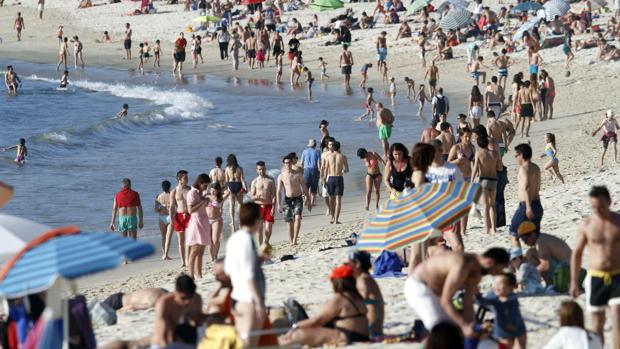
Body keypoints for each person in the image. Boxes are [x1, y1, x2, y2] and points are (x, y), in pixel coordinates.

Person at [404, 248, 510, 336]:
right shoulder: (463, 264)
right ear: (489, 262)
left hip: (434, 293)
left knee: (454, 329)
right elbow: (446, 300)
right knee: (439, 328)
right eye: (498, 270)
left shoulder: (476, 273)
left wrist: (470, 325)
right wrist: (464, 325)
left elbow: (467, 302)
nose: (497, 274)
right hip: (418, 286)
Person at [571, 186, 620, 346]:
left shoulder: (618, 222)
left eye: (601, 206)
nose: (597, 210)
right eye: (593, 207)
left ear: (609, 202)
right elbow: (577, 253)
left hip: (617, 276)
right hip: (595, 277)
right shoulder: (587, 225)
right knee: (597, 321)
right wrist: (573, 281)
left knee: (617, 316)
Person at [279, 264, 369, 346]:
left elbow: (317, 321)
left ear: (336, 282)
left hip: (347, 336)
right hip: (363, 335)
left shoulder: (339, 298)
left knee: (297, 335)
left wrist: (295, 327)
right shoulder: (357, 296)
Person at [224, 203, 267, 348]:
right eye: (260, 218)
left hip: (236, 296)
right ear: (255, 220)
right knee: (249, 342)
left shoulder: (234, 238)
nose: (261, 221)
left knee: (243, 341)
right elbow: (249, 275)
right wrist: (258, 301)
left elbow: (230, 269)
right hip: (248, 298)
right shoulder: (247, 240)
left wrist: (258, 260)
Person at [426, 140, 465, 251]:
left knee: (458, 246)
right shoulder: (425, 171)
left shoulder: (452, 169)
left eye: (434, 152)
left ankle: (459, 267)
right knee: (432, 249)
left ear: (441, 151)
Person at [518, 221, 576, 293]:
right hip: (572, 272)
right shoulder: (544, 238)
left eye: (525, 239)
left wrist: (530, 272)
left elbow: (546, 265)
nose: (525, 243)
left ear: (533, 234)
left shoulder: (541, 242)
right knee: (530, 253)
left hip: (566, 274)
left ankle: (550, 284)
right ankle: (549, 284)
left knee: (531, 254)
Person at [151, 274, 203, 347]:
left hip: (186, 340)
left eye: (190, 297)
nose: (187, 301)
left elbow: (199, 324)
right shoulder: (165, 303)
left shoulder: (196, 299)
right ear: (176, 292)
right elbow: (161, 334)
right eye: (183, 298)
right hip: (164, 342)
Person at [477, 273, 527, 348]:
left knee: (521, 345)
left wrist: (514, 324)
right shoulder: (495, 299)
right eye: (495, 283)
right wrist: (477, 294)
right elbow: (483, 302)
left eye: (500, 284)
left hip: (518, 326)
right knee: (506, 346)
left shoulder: (512, 298)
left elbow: (514, 313)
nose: (496, 286)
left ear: (511, 287)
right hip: (503, 328)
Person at [510, 143, 542, 248]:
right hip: (537, 204)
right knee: (534, 237)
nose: (516, 158)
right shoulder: (536, 167)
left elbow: (527, 188)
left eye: (516, 155)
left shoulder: (524, 169)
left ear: (521, 155)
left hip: (526, 206)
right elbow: (537, 187)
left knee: (513, 233)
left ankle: (517, 260)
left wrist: (528, 207)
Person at [348, 251, 384, 337]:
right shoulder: (368, 278)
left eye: (349, 263)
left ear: (357, 264)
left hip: (370, 328)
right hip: (377, 326)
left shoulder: (362, 279)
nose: (348, 267)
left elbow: (361, 301)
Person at [473, 131, 502, 235]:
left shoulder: (479, 153)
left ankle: (486, 229)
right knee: (492, 205)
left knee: (485, 206)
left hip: (484, 180)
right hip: (494, 180)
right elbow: (500, 167)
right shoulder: (494, 153)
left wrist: (472, 181)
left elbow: (475, 168)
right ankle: (494, 229)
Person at [277, 155, 309, 245]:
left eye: (289, 163)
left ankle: (295, 239)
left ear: (292, 163)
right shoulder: (281, 176)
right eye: (286, 163)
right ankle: (291, 240)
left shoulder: (298, 175)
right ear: (284, 164)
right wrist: (278, 204)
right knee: (289, 222)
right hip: (287, 200)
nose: (288, 164)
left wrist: (308, 199)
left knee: (298, 218)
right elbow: (278, 191)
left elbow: (304, 187)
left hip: (298, 198)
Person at [186, 174, 211, 279]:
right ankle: (191, 275)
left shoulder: (200, 192)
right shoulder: (192, 193)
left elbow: (203, 205)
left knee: (201, 252)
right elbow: (190, 210)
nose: (206, 187)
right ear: (200, 183)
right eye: (205, 185)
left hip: (204, 221)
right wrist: (202, 202)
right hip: (196, 223)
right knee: (194, 251)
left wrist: (206, 200)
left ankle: (199, 274)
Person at [322, 141, 349, 224]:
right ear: (339, 147)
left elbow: (326, 169)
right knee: (338, 201)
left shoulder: (328, 156)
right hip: (339, 178)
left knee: (331, 199)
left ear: (333, 147)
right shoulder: (343, 157)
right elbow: (347, 169)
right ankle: (336, 220)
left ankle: (332, 217)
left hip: (330, 178)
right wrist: (343, 170)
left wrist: (323, 179)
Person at [250, 161, 276, 246]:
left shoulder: (270, 180)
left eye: (263, 169)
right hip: (258, 206)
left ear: (265, 168)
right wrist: (257, 196)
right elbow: (251, 197)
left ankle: (266, 241)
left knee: (268, 227)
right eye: (259, 169)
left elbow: (273, 195)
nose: (261, 171)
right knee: (259, 229)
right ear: (257, 170)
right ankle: (260, 245)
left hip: (268, 205)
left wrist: (273, 207)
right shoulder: (254, 181)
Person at [170, 170, 191, 267]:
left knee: (188, 239)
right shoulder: (174, 191)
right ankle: (182, 261)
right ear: (179, 179)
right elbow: (171, 207)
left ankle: (187, 260)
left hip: (188, 215)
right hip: (178, 216)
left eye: (187, 177)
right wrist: (171, 220)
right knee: (180, 241)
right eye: (185, 178)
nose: (187, 179)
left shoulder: (190, 189)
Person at [224, 154, 247, 231]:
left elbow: (226, 181)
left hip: (231, 185)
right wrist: (245, 188)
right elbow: (242, 179)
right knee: (240, 204)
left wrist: (227, 188)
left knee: (232, 204)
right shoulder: (240, 168)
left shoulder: (227, 169)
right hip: (238, 185)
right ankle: (240, 221)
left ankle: (232, 222)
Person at [102, 288, 168, 312]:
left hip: (120, 296)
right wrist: (118, 311)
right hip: (118, 303)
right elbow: (132, 306)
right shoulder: (154, 302)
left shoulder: (162, 290)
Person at [301, 139, 321, 209]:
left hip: (306, 170)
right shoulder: (317, 151)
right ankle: (312, 202)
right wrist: (320, 171)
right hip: (314, 170)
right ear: (315, 145)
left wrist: (301, 171)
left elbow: (301, 163)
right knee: (314, 186)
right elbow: (318, 163)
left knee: (306, 186)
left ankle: (305, 201)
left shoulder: (304, 151)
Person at [155, 180, 172, 260]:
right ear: (170, 186)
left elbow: (155, 209)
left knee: (163, 237)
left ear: (162, 187)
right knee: (168, 237)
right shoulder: (172, 195)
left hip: (162, 217)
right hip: (170, 217)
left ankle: (163, 254)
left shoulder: (159, 196)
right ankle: (166, 254)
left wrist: (160, 209)